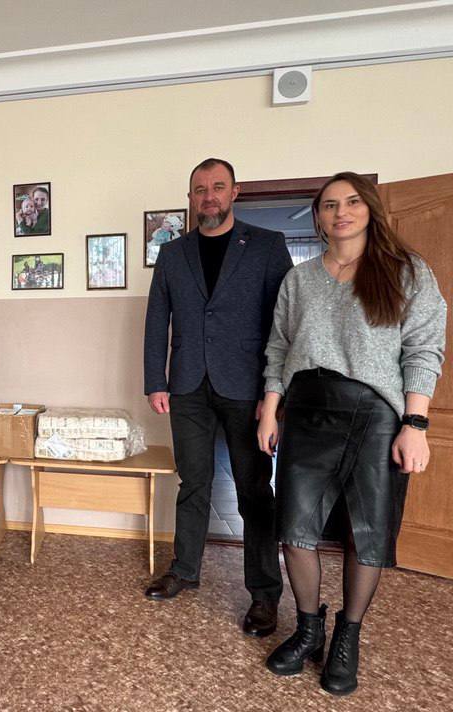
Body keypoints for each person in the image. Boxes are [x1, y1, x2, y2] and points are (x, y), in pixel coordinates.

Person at [258, 172, 446, 696]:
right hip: (306, 410)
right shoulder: (299, 279)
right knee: (294, 530)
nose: (340, 212)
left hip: (374, 415)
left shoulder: (406, 271)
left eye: (352, 202)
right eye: (328, 205)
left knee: (367, 533)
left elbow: (424, 349)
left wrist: (415, 424)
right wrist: (270, 410)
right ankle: (308, 630)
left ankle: (348, 635)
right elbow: (278, 347)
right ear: (318, 216)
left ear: (370, 210)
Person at [143, 158, 294, 639]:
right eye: (200, 189)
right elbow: (157, 319)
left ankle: (265, 594)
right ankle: (185, 570)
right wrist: (156, 380)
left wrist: (273, 394)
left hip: (247, 387)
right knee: (193, 482)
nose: (209, 196)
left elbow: (284, 324)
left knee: (254, 490)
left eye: (218, 187)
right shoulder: (173, 253)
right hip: (188, 385)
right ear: (191, 197)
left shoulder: (268, 245)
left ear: (234, 192)